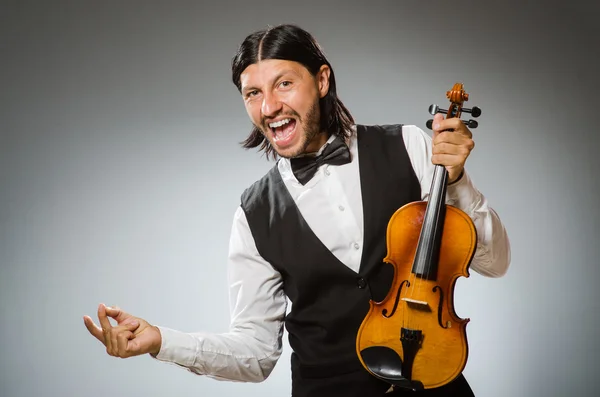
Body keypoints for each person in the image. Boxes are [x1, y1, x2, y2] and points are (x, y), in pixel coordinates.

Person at [83, 24, 510, 397]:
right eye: (253, 93)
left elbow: (493, 262)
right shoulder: (253, 214)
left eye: (283, 84)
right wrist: (161, 341)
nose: (268, 107)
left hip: (437, 387)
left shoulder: (411, 146)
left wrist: (456, 182)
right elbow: (255, 353)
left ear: (322, 80)